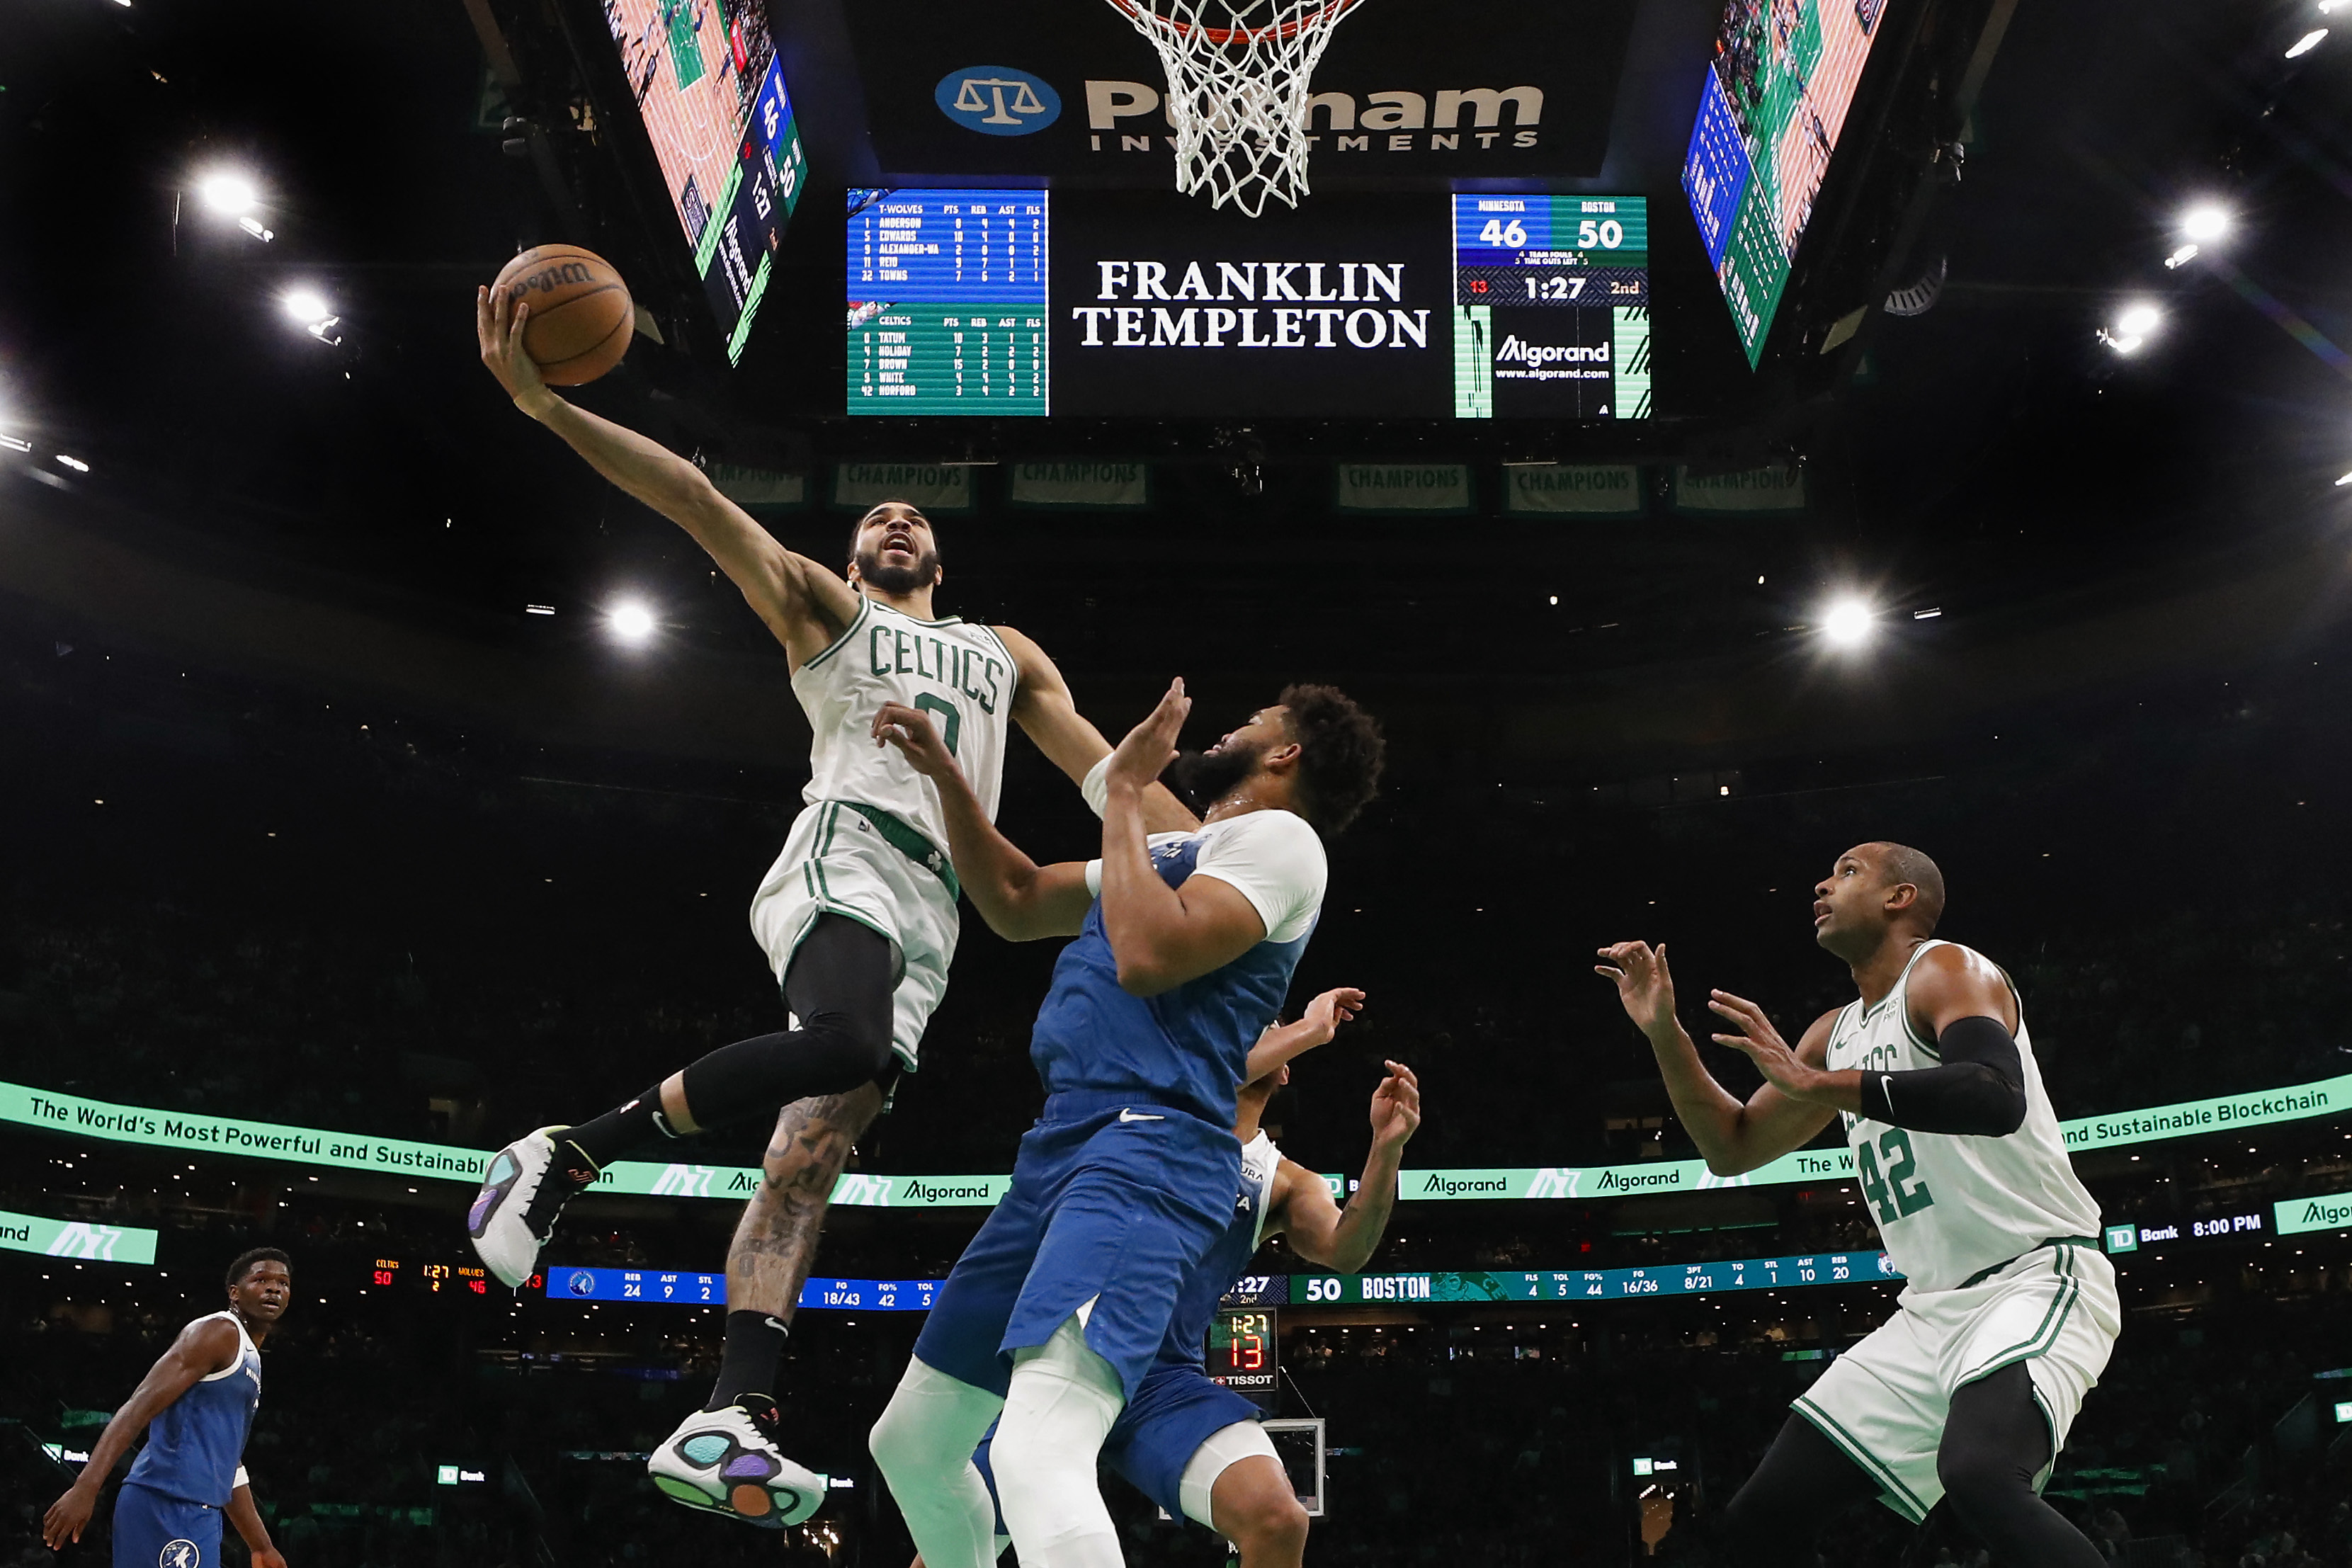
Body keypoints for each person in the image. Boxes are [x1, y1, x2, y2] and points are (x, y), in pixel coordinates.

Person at [462, 284, 1193, 1526]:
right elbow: (694, 498)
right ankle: (569, 1145)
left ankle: (734, 1406)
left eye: (915, 517)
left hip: (943, 907)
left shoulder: (1001, 649)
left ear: (942, 559)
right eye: (878, 516)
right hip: (845, 853)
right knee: (845, 1043)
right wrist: (543, 402)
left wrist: (1226, 849)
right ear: (856, 556)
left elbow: (1110, 780)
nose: (897, 519)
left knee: (810, 1154)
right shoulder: (825, 610)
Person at [865, 676, 1385, 1568]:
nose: (1232, 726)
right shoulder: (1182, 852)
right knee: (910, 1444)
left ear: (1287, 752)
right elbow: (1018, 898)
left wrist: (1117, 794)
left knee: (1036, 1452)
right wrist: (947, 775)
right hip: (1060, 1145)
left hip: (1152, 1147)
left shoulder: (1283, 841)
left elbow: (1148, 957)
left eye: (1251, 718)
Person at [1596, 842, 2120, 1568]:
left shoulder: (1945, 969)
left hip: (2034, 1275)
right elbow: (1732, 1147)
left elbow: (1996, 1096)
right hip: (1930, 1313)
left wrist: (1826, 1088)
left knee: (1979, 1474)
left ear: (1900, 898)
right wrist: (1665, 1033)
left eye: (1847, 871)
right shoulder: (1832, 1034)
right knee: (1762, 1518)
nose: (1821, 881)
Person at [927, 1039, 1421, 1568]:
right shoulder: (1137, 1118)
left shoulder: (1282, 1181)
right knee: (944, 1557)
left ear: (1283, 1070)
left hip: (1161, 1383)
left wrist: (1386, 1148)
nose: (1248, 1029)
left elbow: (1346, 1250)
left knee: (1277, 1519)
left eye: (1267, 1025)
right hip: (1062, 1355)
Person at [43, 1248, 292, 1568]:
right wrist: (86, 1486)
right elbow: (139, 1406)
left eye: (283, 1283)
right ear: (235, 1293)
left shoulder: (250, 1356)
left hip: (198, 1510)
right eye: (261, 1280)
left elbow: (228, 1463)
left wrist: (261, 1546)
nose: (274, 1288)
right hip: (167, 1501)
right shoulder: (219, 1332)